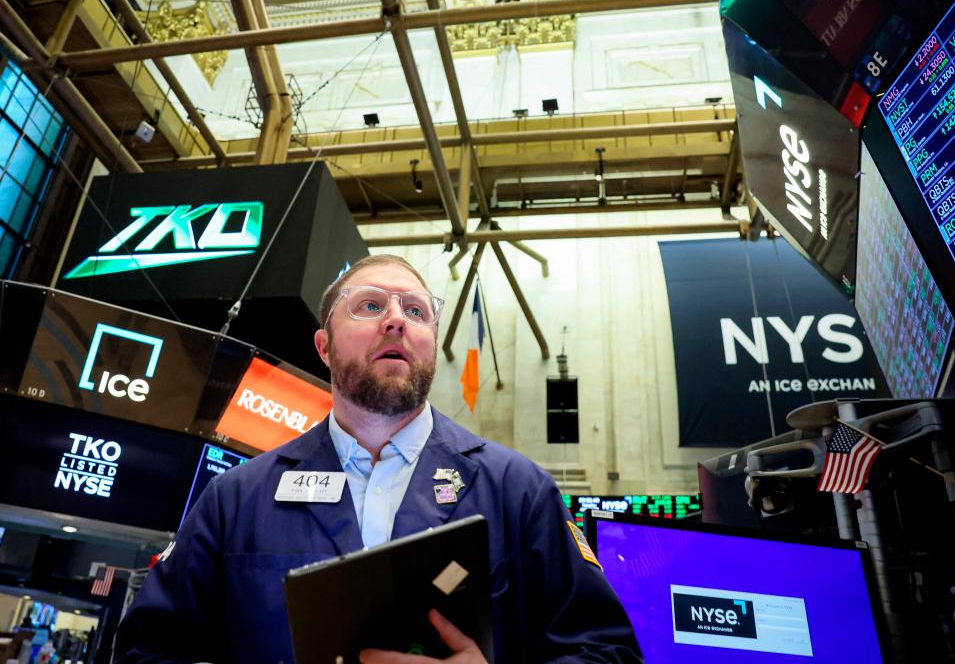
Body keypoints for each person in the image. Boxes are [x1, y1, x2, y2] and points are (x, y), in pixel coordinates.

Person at [114, 254, 641, 663]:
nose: (396, 321)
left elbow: (608, 651)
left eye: (415, 311)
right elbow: (145, 650)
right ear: (323, 346)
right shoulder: (236, 498)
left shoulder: (518, 491)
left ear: (432, 344)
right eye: (370, 306)